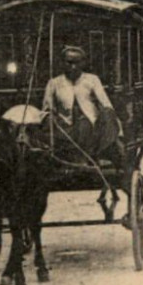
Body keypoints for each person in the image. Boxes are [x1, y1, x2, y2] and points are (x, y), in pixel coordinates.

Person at [42, 46, 121, 213]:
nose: (72, 67)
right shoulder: (54, 83)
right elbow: (47, 108)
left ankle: (86, 158)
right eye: (68, 63)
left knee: (85, 124)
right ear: (62, 63)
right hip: (65, 125)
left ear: (83, 63)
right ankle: (67, 159)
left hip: (90, 123)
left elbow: (105, 103)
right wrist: (50, 116)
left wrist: (106, 118)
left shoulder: (91, 80)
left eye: (76, 63)